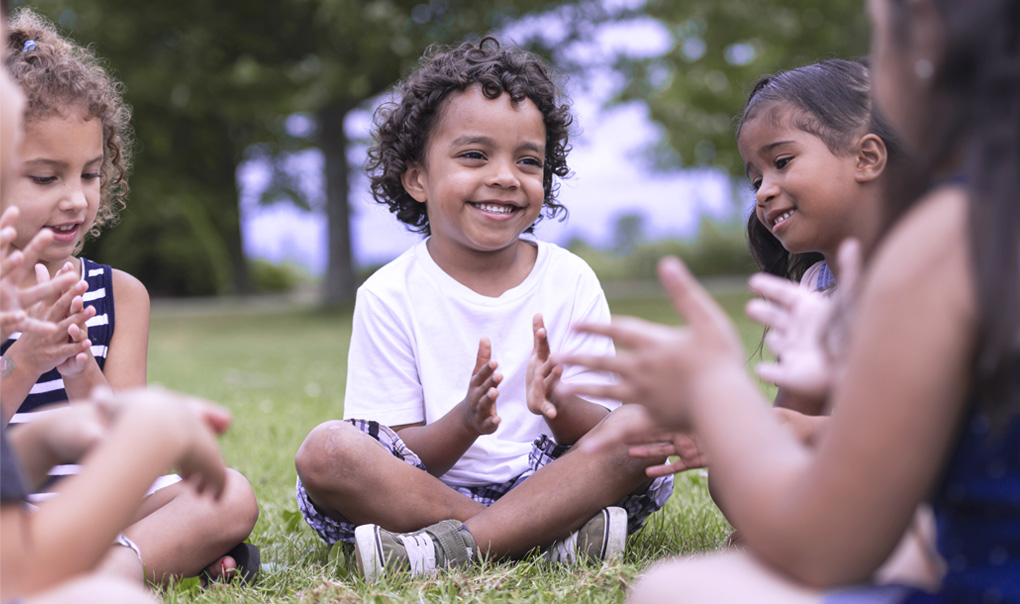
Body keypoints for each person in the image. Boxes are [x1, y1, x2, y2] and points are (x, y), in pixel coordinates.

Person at [558, 0, 1020, 600]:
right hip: (934, 530)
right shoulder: (827, 286)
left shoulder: (938, 246)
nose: (764, 193)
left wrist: (716, 391)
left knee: (674, 587)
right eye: (755, 180)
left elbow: (826, 542)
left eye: (781, 163)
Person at [294, 36, 673, 580]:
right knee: (328, 451)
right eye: (474, 155)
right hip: (426, 493)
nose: (504, 176)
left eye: (527, 161)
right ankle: (538, 538)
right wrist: (466, 422)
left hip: (557, 482)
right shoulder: (389, 293)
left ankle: (451, 549)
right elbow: (402, 453)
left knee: (644, 426)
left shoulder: (570, 279)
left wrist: (560, 403)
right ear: (417, 177)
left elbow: (598, 435)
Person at [0, 8, 259, 586]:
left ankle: (110, 567)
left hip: (95, 501)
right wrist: (26, 360)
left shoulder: (120, 295)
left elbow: (124, 451)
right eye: (46, 177)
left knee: (230, 495)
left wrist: (78, 369)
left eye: (89, 174)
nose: (75, 200)